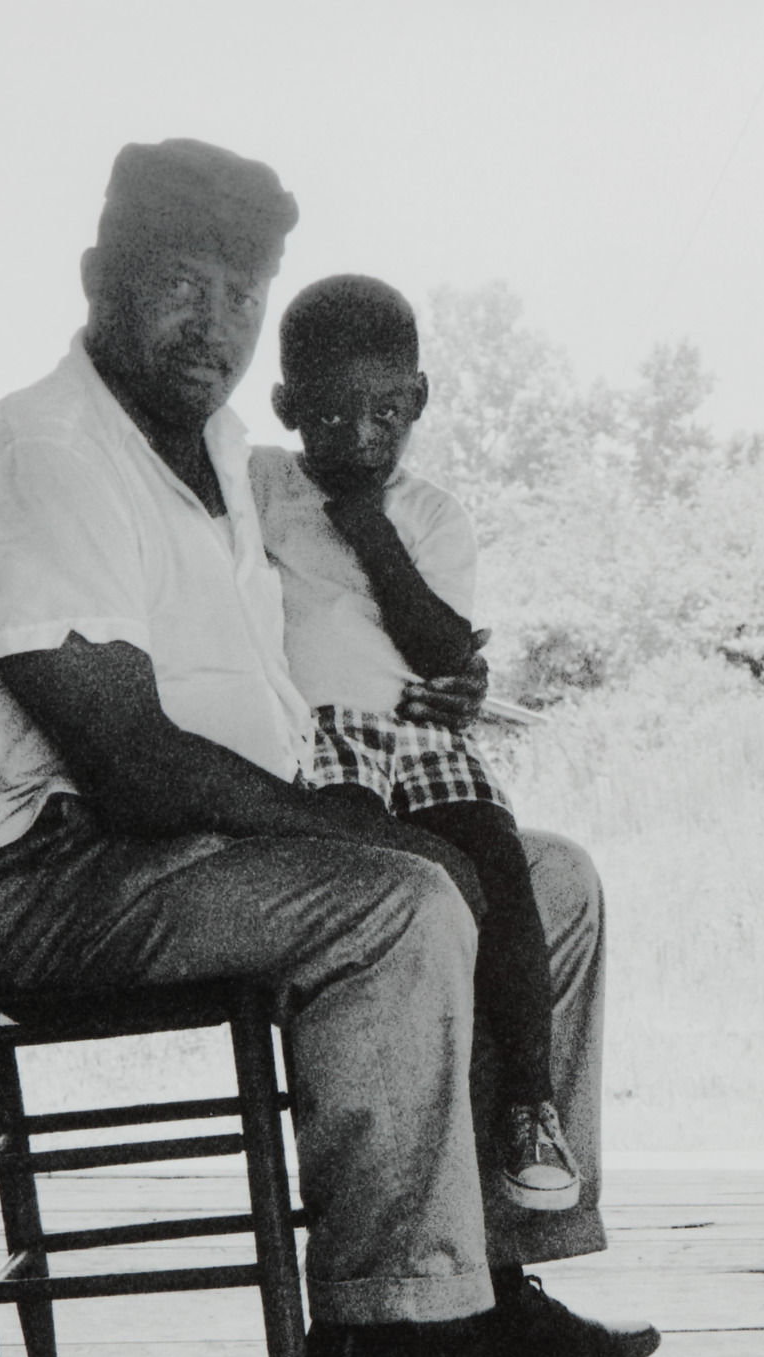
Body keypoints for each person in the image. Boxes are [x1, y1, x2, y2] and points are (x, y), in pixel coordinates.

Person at [0, 139, 657, 1357]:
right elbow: (128, 760)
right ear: (95, 281)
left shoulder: (219, 451)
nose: (216, 323)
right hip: (43, 873)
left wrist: (411, 722)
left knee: (557, 879)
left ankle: (490, 1272)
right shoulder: (50, 457)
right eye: (179, 283)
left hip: (176, 842)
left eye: (241, 292)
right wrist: (367, 833)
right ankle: (377, 1339)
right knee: (401, 899)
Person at [252, 274, 577, 1214]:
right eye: (334, 413)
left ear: (421, 399)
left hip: (417, 731)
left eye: (388, 410)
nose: (362, 436)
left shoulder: (432, 513)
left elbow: (440, 646)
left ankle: (528, 1105)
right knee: (397, 883)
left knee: (500, 868)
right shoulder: (262, 483)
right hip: (321, 739)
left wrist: (366, 525)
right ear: (286, 407)